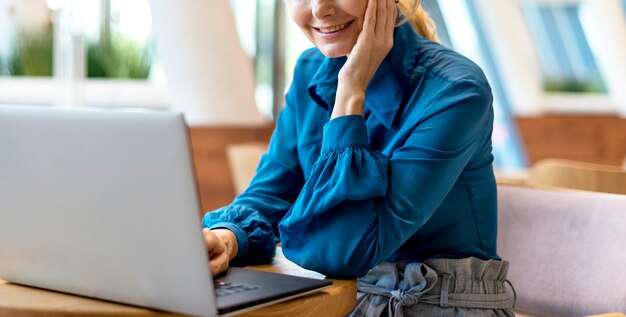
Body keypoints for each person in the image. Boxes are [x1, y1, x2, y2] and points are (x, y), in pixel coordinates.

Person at [202, 0, 515, 315]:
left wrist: (350, 90)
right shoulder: (310, 71)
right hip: (343, 297)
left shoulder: (455, 90)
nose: (319, 9)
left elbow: (345, 251)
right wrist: (227, 238)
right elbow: (274, 190)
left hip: (438, 305)